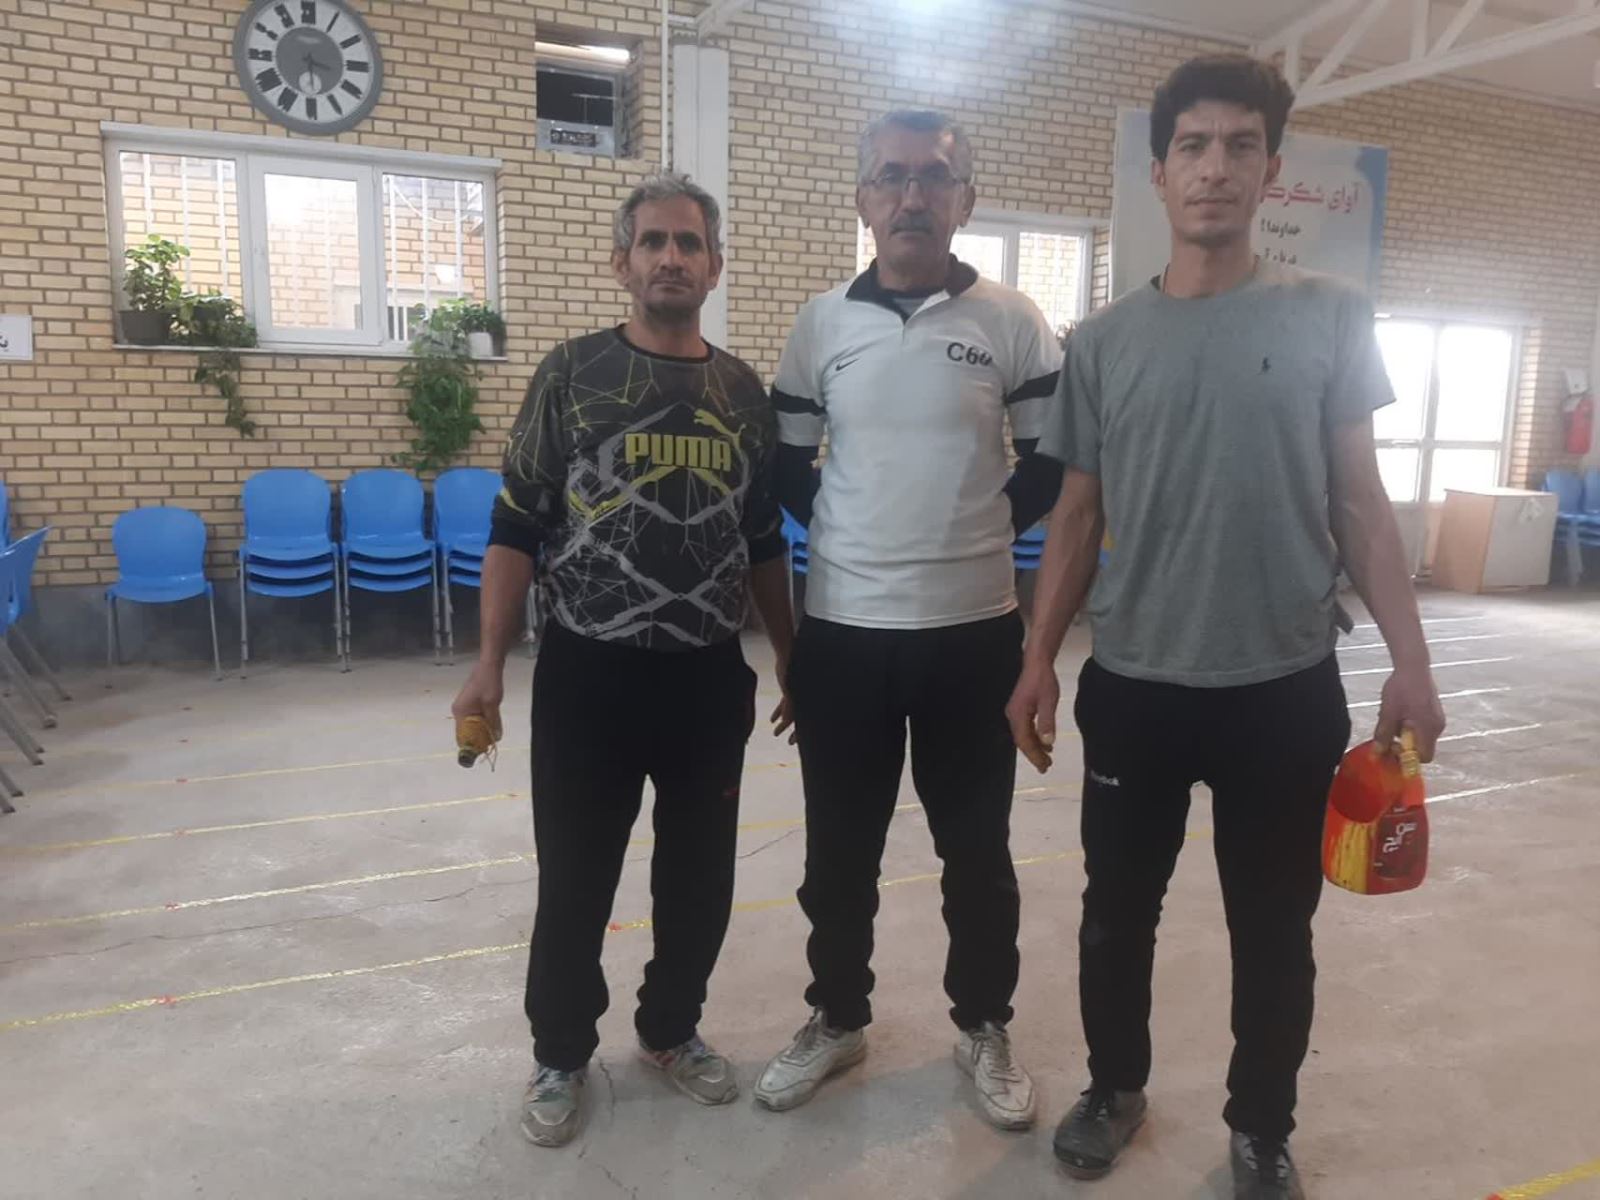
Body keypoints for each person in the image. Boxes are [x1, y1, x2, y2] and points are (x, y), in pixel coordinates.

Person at [1005, 56, 1446, 1199]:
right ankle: (1115, 1088)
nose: (1214, 168)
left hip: (1281, 687)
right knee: (1115, 918)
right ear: (1159, 173)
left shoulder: (1329, 316)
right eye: (1193, 147)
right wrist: (1036, 661)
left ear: (1270, 171)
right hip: (1136, 684)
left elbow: (1360, 502)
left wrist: (1411, 660)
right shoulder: (1103, 342)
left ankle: (1260, 1128)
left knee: (1272, 928)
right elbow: (1075, 516)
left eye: (1239, 146)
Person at [451, 172, 794, 1149]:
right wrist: (487, 664)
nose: (671, 258)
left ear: (715, 266)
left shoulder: (743, 393)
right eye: (653, 242)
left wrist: (792, 657)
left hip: (705, 676)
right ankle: (560, 1053)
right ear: (622, 263)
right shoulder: (571, 373)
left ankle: (670, 1029)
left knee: (699, 878)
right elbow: (516, 525)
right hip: (588, 673)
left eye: (689, 243)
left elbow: (763, 538)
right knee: (576, 877)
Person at [753, 110, 1065, 1131]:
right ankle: (838, 1018)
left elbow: (1050, 463)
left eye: (934, 178)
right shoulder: (819, 325)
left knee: (976, 855)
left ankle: (983, 1025)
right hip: (843, 635)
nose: (912, 196)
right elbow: (786, 467)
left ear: (965, 200)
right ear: (863, 200)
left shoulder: (1012, 320)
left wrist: (974, 529)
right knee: (837, 855)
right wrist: (855, 536)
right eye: (891, 177)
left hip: (974, 635)